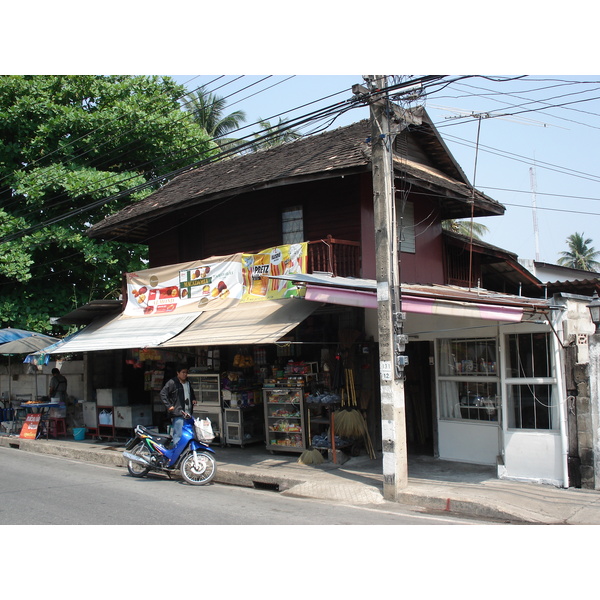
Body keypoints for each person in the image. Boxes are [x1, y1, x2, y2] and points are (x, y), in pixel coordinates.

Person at [159, 364, 195, 446]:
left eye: (186, 372)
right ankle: (177, 453)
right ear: (178, 373)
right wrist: (169, 406)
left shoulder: (188, 383)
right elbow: (163, 394)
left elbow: (190, 393)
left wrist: (193, 399)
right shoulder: (172, 382)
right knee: (178, 434)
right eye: (183, 372)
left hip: (188, 413)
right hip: (178, 413)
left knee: (188, 434)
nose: (185, 374)